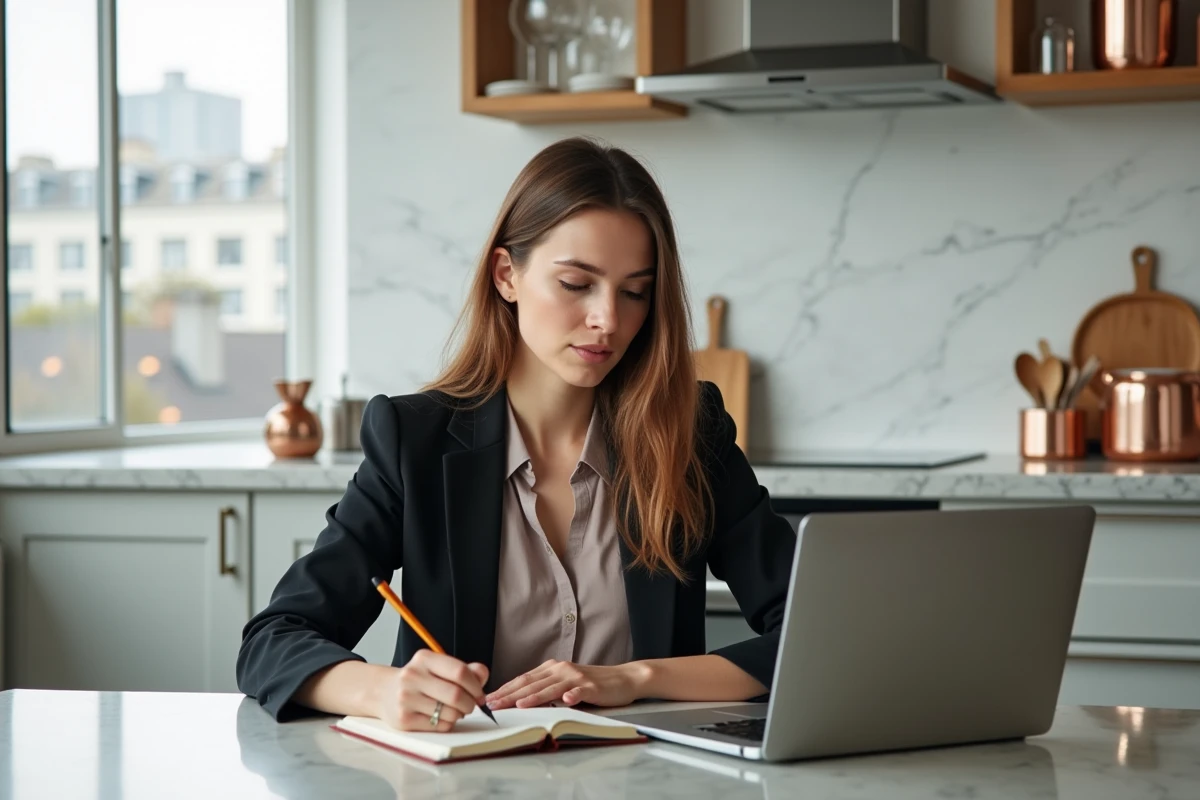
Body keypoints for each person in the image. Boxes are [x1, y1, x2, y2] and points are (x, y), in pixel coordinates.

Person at [236, 136, 797, 731]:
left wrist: (638, 678)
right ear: (507, 274)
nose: (608, 319)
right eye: (576, 283)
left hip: (645, 772)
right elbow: (273, 641)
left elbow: (815, 633)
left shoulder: (690, 433)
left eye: (635, 291)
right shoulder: (414, 440)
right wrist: (384, 690)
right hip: (461, 774)